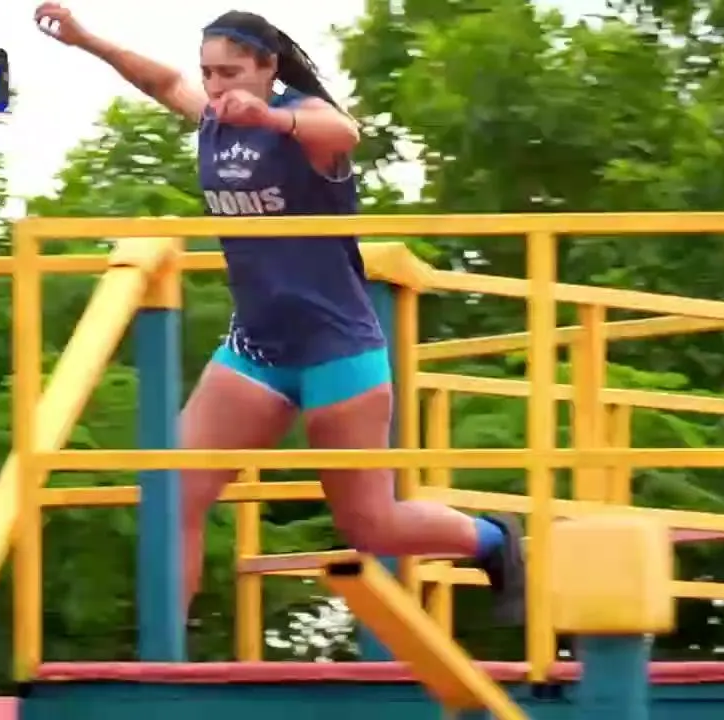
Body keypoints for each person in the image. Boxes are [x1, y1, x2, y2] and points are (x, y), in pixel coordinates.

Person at [34, 4, 525, 624]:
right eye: (209, 73)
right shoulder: (213, 119)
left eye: (231, 73)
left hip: (338, 353)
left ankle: (492, 540)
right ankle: (165, 658)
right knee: (170, 496)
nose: (218, 87)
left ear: (269, 68)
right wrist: (85, 39)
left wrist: (268, 117)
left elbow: (345, 133)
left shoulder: (305, 121)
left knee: (370, 524)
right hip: (257, 351)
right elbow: (161, 81)